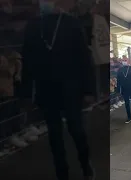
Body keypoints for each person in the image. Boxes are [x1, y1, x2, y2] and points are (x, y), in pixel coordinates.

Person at [20, 1, 96, 180]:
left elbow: (83, 58)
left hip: (70, 89)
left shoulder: (71, 23)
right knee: (55, 136)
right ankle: (62, 173)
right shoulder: (33, 26)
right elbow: (27, 62)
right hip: (47, 90)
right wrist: (25, 93)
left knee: (76, 130)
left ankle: (85, 165)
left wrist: (88, 90)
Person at [116, 58, 131, 124]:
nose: (124, 62)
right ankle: (129, 117)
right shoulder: (120, 70)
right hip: (124, 89)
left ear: (128, 61)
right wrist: (118, 90)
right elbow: (118, 81)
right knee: (126, 104)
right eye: (123, 60)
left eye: (125, 60)